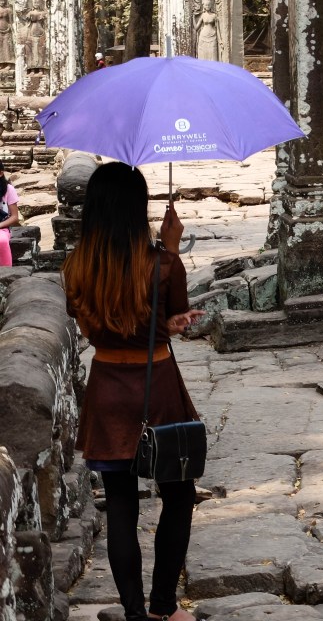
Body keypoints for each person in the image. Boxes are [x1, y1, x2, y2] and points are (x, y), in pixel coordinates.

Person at [64, 163, 204, 621]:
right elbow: (172, 318)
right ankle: (164, 606)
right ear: (137, 208)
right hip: (157, 386)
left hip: (107, 388)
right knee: (179, 495)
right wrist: (171, 248)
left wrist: (163, 322)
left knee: (120, 503)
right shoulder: (163, 263)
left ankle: (134, 614)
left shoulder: (76, 266)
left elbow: (99, 326)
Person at [0, 161, 20, 267]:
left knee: (2, 241)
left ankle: (6, 274)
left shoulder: (8, 189)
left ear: (1, 173)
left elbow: (15, 217)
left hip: (2, 227)